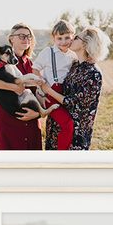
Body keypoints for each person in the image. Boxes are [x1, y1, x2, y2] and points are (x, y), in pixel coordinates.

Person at [40, 26, 110, 151]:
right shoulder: (75, 65)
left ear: (86, 43)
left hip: (74, 136)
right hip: (56, 128)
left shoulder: (93, 73)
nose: (72, 39)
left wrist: (47, 89)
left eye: (77, 37)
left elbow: (72, 102)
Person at [0, 23, 43, 150]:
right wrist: (14, 87)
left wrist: (37, 115)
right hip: (8, 123)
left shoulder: (32, 63)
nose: (26, 39)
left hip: (32, 124)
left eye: (28, 36)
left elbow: (39, 91)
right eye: (21, 36)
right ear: (11, 39)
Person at [32, 20, 77, 150]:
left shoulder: (73, 54)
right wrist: (41, 86)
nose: (63, 41)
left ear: (73, 36)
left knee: (64, 125)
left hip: (65, 94)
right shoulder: (48, 52)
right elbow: (35, 69)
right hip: (50, 94)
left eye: (67, 37)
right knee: (67, 123)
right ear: (54, 38)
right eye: (59, 38)